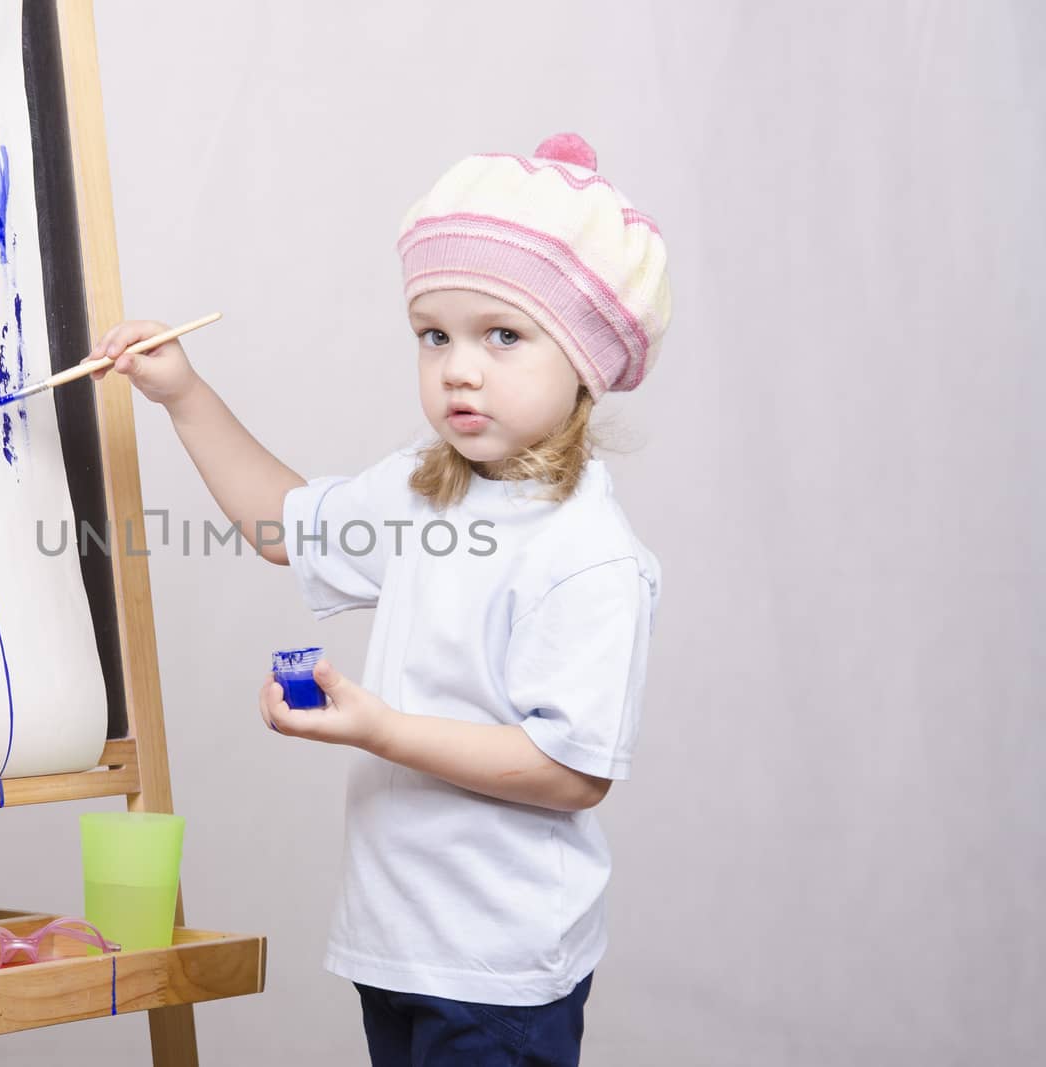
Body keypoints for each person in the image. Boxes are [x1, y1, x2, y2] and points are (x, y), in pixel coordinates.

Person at [86, 131, 671, 1066]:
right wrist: (181, 393)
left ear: (585, 361)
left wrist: (377, 725)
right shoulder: (422, 487)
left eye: (503, 335)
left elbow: (572, 769)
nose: (458, 367)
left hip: (496, 965)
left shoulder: (587, 553)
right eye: (434, 334)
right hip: (397, 941)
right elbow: (282, 527)